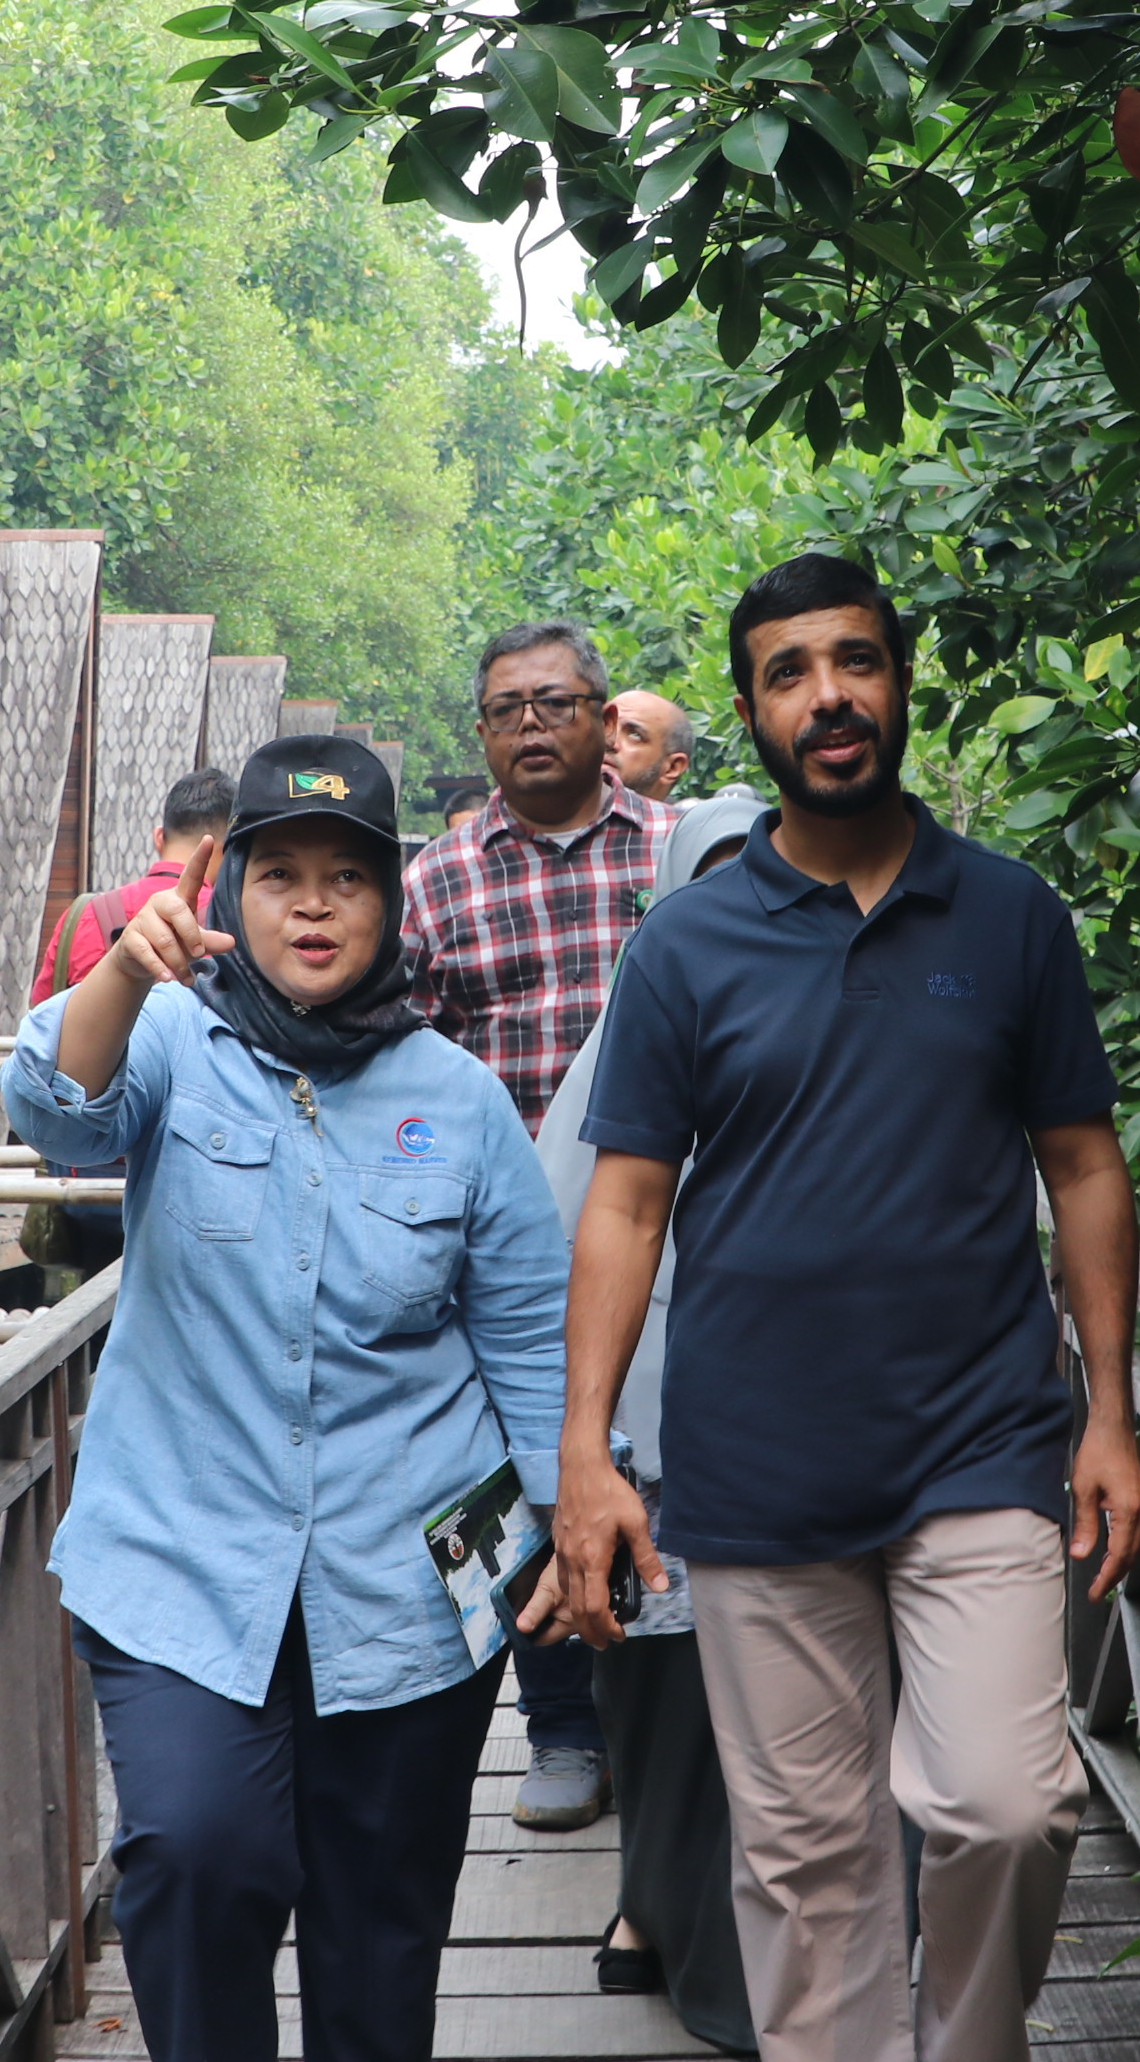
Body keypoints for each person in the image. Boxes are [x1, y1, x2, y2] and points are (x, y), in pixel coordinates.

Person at [536, 553, 1140, 2062]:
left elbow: (1081, 1166)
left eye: (856, 662)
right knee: (807, 1867)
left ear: (899, 680)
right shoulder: (684, 945)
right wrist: (588, 1453)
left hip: (983, 1446)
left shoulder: (1009, 919)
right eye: (792, 672)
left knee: (1008, 1807)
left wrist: (1113, 1414)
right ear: (750, 711)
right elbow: (625, 1203)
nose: (830, 697)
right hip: (758, 1464)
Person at [4, 735, 567, 2062]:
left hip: (413, 1574)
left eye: (348, 880)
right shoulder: (174, 1042)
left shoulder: (464, 1103)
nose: (314, 906)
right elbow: (58, 1113)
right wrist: (119, 976)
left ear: (392, 905)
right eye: (283, 877)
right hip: (184, 1555)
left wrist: (557, 1518)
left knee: (382, 1923)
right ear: (232, 894)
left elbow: (530, 1336)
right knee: (198, 1854)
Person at [402, 618, 680, 1831]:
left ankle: (672, 1718)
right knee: (522, 1474)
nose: (529, 724)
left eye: (555, 703)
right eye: (506, 707)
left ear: (605, 720)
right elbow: (385, 1047)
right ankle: (563, 1725)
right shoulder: (441, 879)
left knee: (677, 1468)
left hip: (676, 1230)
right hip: (504, 1248)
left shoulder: (681, 851)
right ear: (481, 731)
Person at [531, 789, 769, 2051]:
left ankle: (718, 1951)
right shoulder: (644, 1007)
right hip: (656, 1430)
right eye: (717, 873)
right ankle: (670, 1927)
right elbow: (575, 1218)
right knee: (668, 1708)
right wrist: (583, 1449)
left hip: (802, 1439)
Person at [18, 768, 241, 1271]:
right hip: (197, 1183)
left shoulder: (86, 915)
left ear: (159, 836)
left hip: (89, 1175)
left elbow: (43, 1037)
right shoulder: (234, 922)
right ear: (227, 850)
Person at [604, 690, 695, 802]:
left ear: (672, 767)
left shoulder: (690, 819)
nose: (607, 740)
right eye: (603, 725)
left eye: (635, 735)